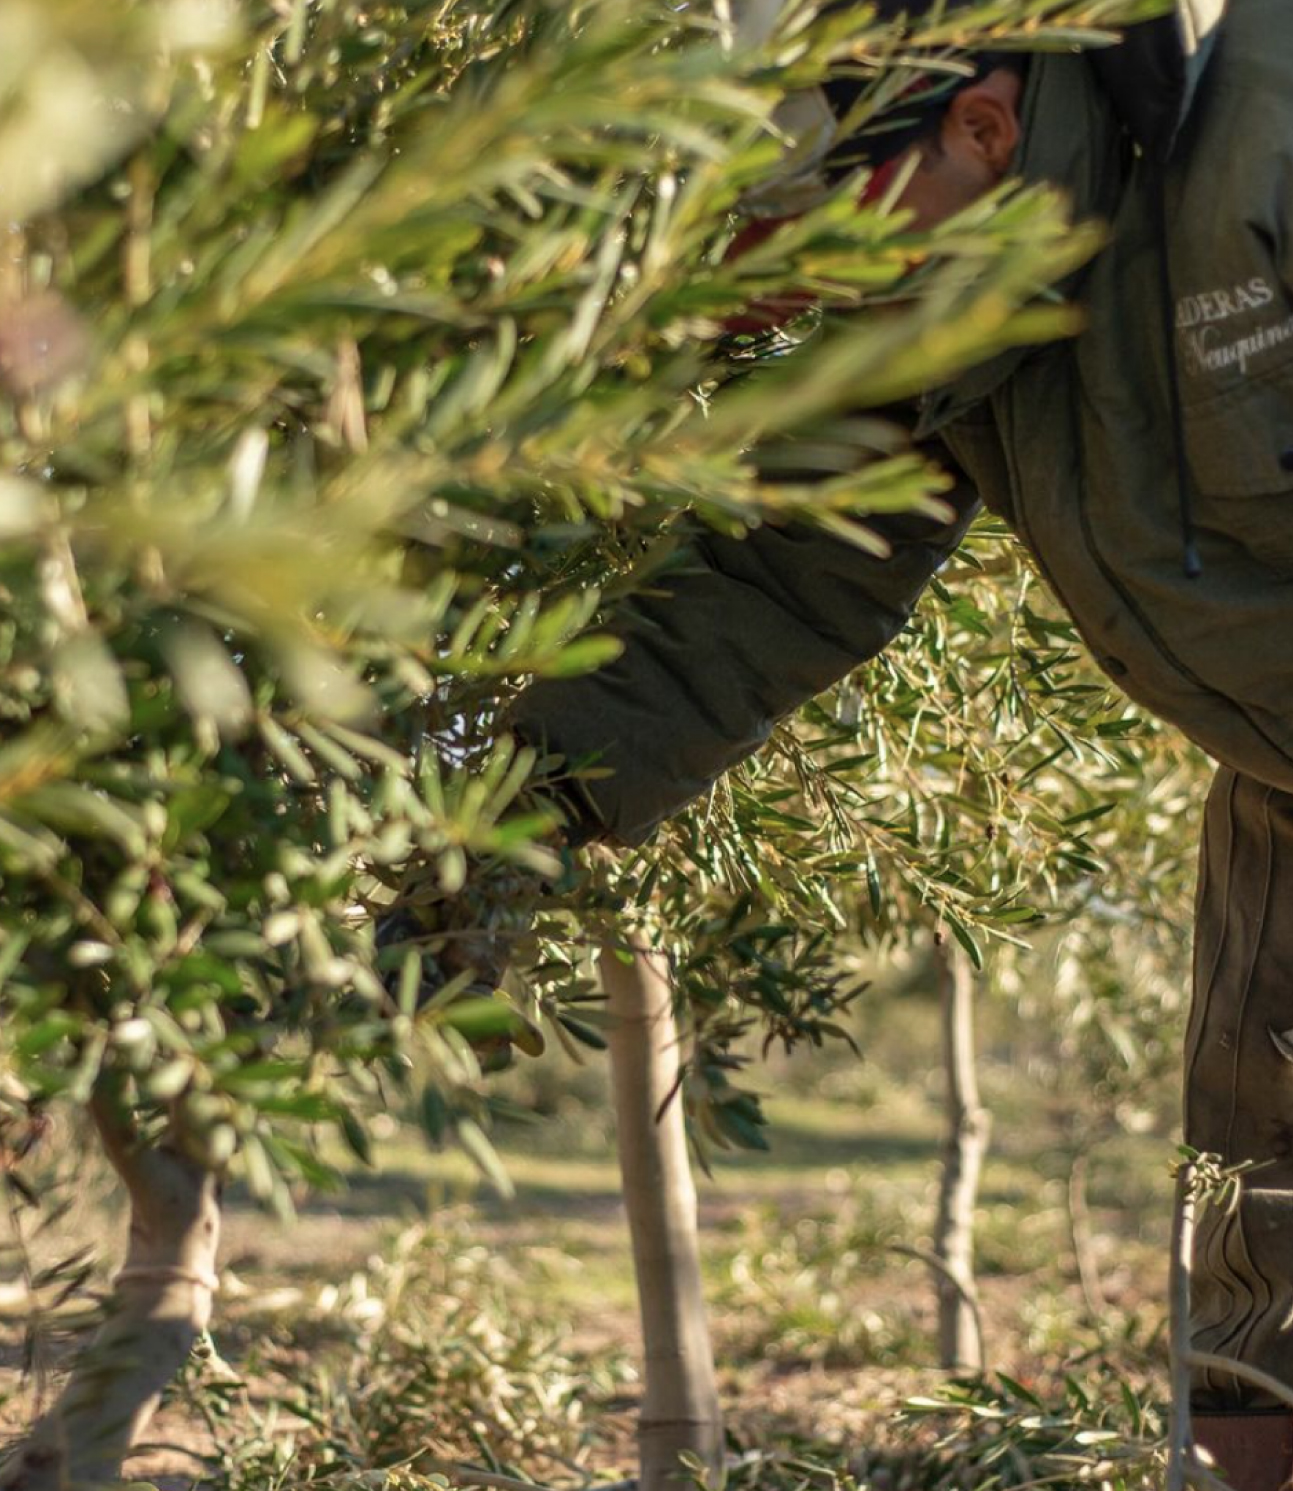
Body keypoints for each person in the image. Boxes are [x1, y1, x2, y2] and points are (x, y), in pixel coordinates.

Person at [417, 0, 1293, 1482]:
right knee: (1252, 1335)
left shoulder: (1264, 123)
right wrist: (494, 835)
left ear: (982, 125)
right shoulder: (948, 312)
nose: (784, 300)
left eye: (819, 235)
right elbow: (762, 590)